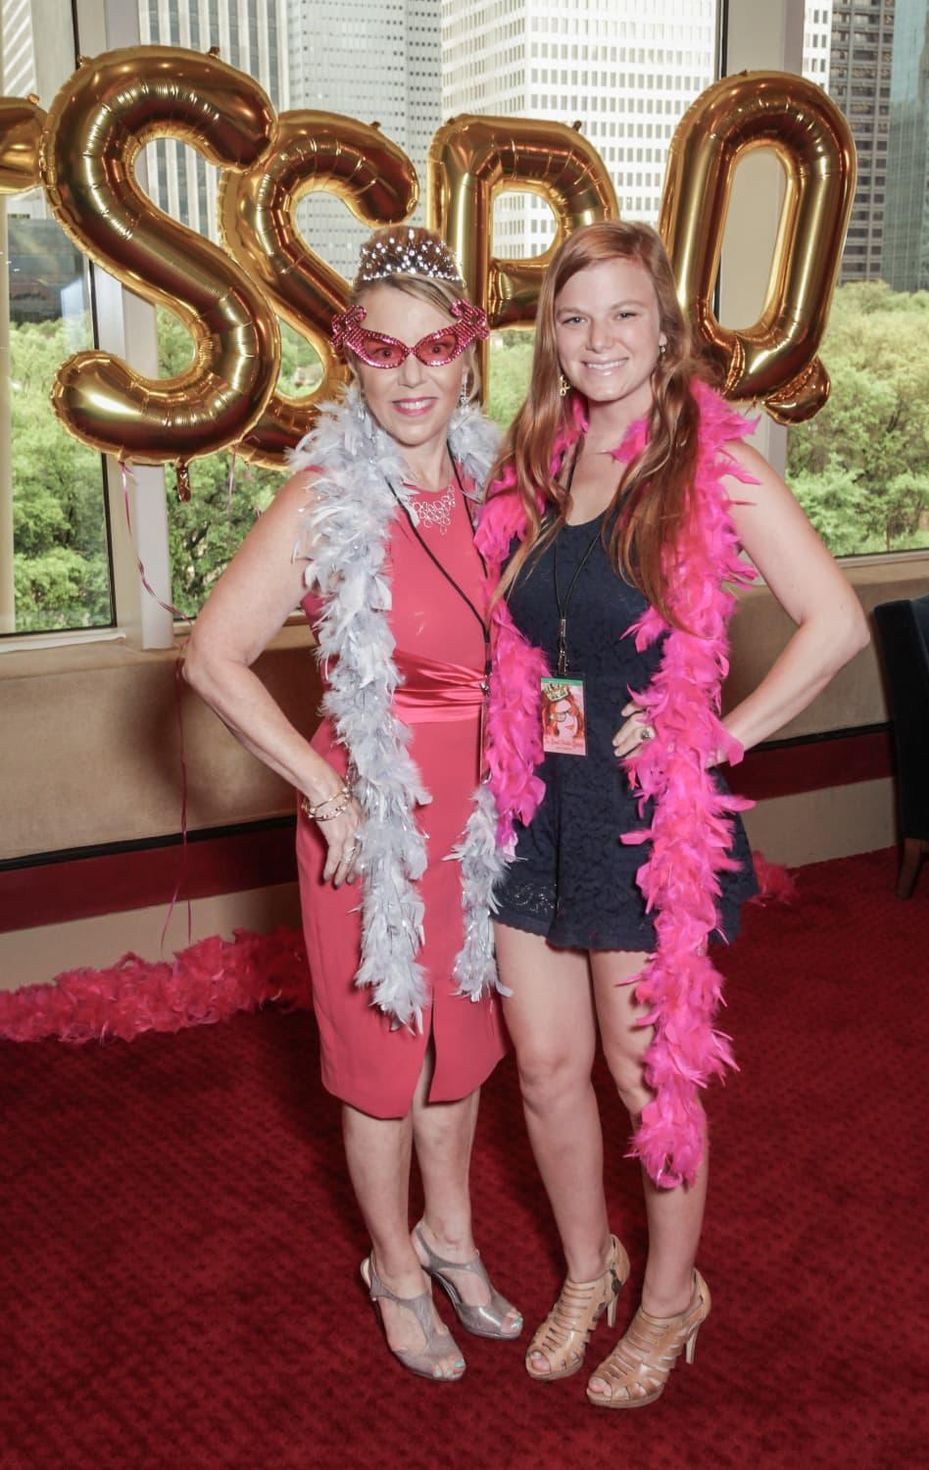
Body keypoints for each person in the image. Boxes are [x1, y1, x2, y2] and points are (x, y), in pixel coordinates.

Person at [475, 220, 868, 1409]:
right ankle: (587, 1271)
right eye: (574, 315)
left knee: (647, 1079)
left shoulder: (709, 460)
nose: (597, 339)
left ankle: (666, 1297)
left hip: (640, 816)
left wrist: (719, 734)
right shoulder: (535, 455)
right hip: (529, 798)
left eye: (623, 314)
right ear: (551, 333)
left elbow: (835, 622)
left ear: (665, 328)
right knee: (544, 1070)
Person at [183, 226, 521, 1382]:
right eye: (385, 349)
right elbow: (213, 658)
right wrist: (327, 792)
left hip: (482, 822)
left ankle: (453, 1236)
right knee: (384, 1063)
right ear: (351, 360)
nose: (413, 373)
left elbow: (537, 651)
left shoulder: (497, 485)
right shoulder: (327, 497)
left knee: (464, 1049)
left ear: (470, 357)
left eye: (436, 348)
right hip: (372, 821)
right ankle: (390, 1262)